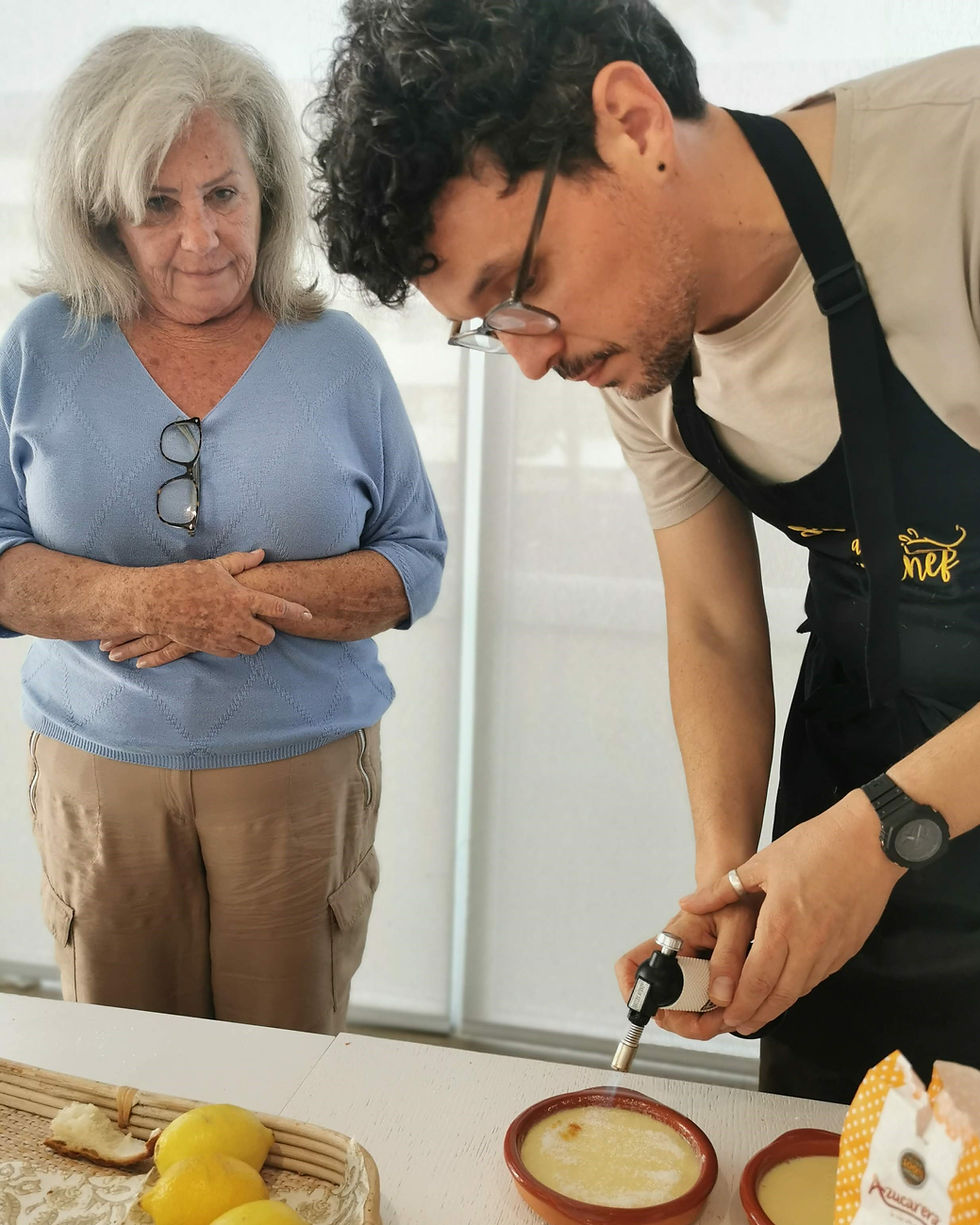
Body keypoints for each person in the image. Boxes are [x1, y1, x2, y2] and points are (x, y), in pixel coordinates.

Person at [308, 0, 980, 1102]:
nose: (528, 362)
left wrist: (880, 832)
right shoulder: (637, 353)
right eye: (488, 328)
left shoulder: (953, 170)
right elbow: (712, 621)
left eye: (516, 291)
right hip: (855, 765)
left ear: (630, 123)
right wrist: (728, 884)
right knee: (834, 1165)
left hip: (882, 815)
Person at [0, 25, 446, 1034]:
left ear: (267, 197)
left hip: (298, 774)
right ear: (102, 215)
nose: (199, 238)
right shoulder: (38, 348)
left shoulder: (338, 357)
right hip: (99, 775)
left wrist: (235, 601)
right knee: (125, 1077)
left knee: (282, 1082)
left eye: (223, 195)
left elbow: (415, 558)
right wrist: (140, 601)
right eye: (158, 204)